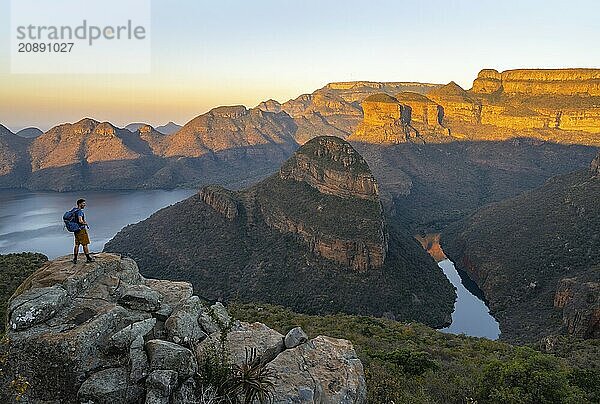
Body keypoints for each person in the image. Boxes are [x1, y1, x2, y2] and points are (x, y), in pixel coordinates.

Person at [72, 198, 95, 264]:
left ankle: (75, 259)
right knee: (85, 244)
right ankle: (88, 258)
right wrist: (85, 223)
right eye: (83, 203)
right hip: (81, 230)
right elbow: (80, 220)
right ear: (80, 204)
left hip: (76, 230)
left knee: (77, 244)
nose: (84, 205)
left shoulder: (74, 210)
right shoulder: (79, 212)